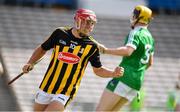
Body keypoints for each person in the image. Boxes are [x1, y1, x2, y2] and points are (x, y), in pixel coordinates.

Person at [22, 8, 124, 111]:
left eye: (92, 24)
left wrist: (113, 73)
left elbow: (98, 70)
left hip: (65, 92)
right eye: (87, 22)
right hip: (46, 86)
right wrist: (30, 63)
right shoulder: (60, 33)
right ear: (78, 21)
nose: (90, 27)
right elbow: (42, 49)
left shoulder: (92, 46)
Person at [96, 5, 155, 111]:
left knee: (100, 110)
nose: (132, 17)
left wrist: (106, 50)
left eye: (135, 15)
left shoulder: (136, 32)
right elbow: (150, 63)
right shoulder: (150, 38)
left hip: (124, 77)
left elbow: (128, 51)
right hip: (136, 82)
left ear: (139, 17)